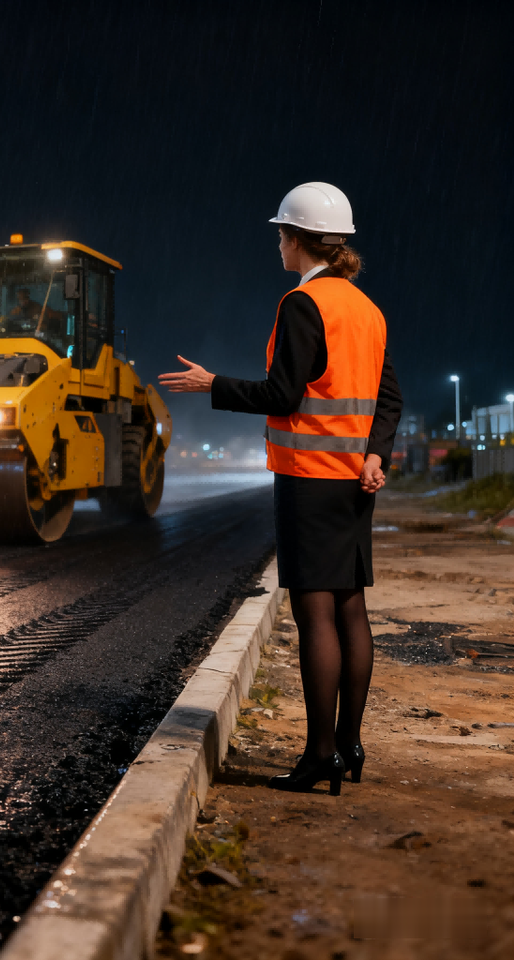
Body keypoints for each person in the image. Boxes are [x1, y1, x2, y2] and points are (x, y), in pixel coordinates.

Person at [158, 182, 402, 796]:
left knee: (315, 613)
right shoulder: (366, 310)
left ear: (298, 239)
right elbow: (389, 399)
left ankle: (320, 755)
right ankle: (349, 745)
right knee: (351, 608)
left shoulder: (303, 303)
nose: (278, 244)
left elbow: (282, 395)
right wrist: (376, 455)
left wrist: (213, 384)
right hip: (355, 483)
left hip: (309, 480)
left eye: (281, 234)